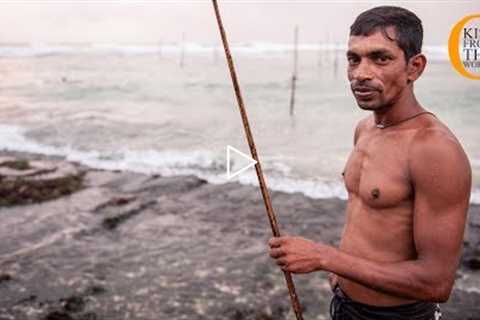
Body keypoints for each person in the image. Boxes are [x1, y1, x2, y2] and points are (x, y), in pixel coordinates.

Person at [268, 6, 472, 320]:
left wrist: (325, 257)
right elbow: (367, 215)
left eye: (380, 58)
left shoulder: (434, 149)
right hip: (345, 305)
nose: (361, 73)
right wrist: (342, 273)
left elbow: (437, 282)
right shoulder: (364, 129)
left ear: (414, 67)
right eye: (354, 59)